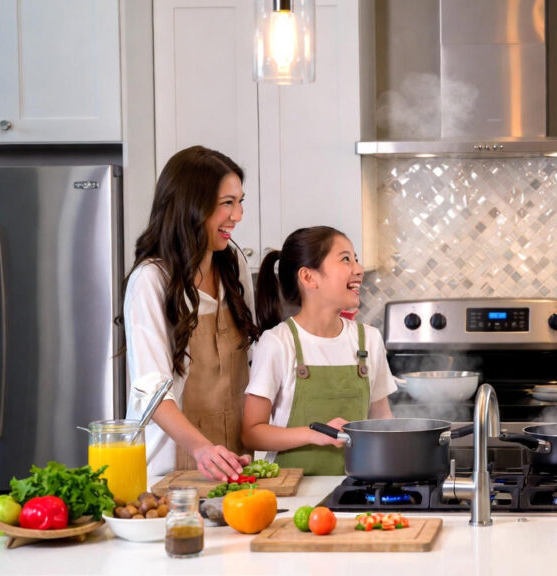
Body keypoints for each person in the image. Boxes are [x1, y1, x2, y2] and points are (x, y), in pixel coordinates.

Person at [123, 145, 260, 481]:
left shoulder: (233, 265)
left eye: (240, 202)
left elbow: (252, 361)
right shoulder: (151, 280)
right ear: (191, 206)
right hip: (169, 469)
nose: (238, 215)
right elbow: (153, 392)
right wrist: (202, 449)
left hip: (233, 461)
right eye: (227, 203)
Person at [242, 226, 396, 475]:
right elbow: (252, 433)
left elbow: (382, 421)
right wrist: (313, 434)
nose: (358, 269)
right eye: (345, 259)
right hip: (293, 489)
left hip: (357, 486)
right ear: (308, 277)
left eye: (356, 259)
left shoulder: (369, 339)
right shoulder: (278, 343)